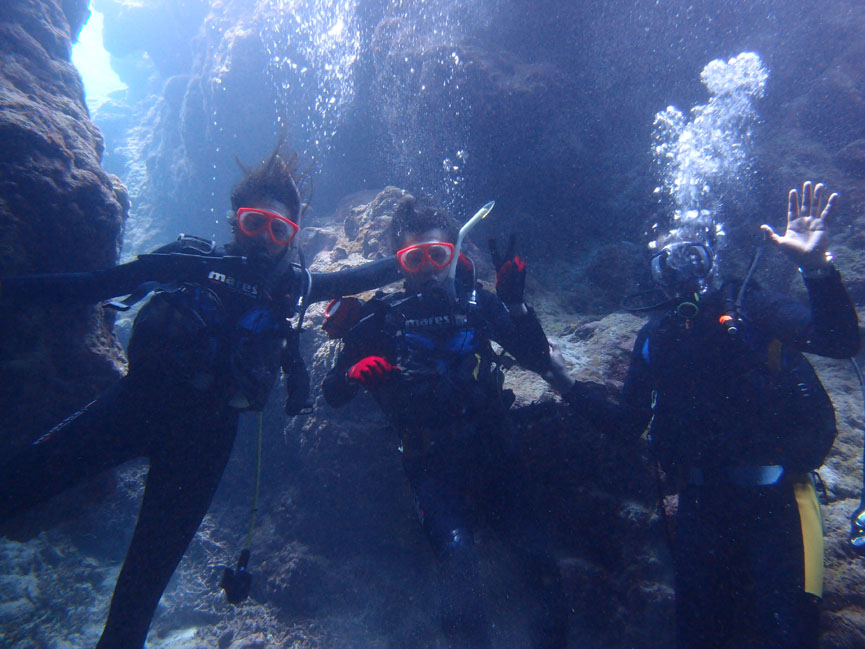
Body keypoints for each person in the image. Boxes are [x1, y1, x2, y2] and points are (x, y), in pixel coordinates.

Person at [0, 147, 401, 649]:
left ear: (293, 237)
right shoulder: (190, 261)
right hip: (133, 408)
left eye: (279, 230)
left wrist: (423, 258)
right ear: (235, 221)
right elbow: (93, 285)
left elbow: (359, 278)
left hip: (203, 447)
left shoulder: (291, 288)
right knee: (15, 485)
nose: (264, 240)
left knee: (137, 603)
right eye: (254, 223)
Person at [561, 181, 860, 648]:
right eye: (667, 262)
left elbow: (840, 342)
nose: (680, 273)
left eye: (691, 256)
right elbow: (627, 424)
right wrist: (559, 378)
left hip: (780, 500)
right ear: (656, 274)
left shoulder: (752, 308)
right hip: (702, 506)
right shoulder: (655, 337)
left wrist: (817, 269)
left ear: (711, 258)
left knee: (787, 634)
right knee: (699, 635)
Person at [322, 196, 574, 648]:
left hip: (494, 447)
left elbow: (536, 358)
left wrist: (516, 306)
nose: (428, 270)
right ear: (398, 263)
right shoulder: (383, 317)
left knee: (536, 554)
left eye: (438, 255)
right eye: (413, 258)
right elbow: (332, 395)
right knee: (456, 557)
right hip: (430, 462)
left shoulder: (480, 305)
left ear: (454, 254)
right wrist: (353, 373)